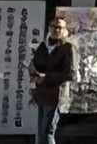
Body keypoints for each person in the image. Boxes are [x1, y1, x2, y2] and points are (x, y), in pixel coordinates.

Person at [30, 14, 75, 144]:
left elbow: (69, 73)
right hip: (41, 92)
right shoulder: (43, 46)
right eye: (53, 27)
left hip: (57, 93)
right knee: (41, 130)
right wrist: (33, 72)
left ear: (64, 31)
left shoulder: (67, 48)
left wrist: (46, 77)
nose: (56, 30)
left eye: (59, 28)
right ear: (49, 28)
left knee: (49, 129)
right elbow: (36, 63)